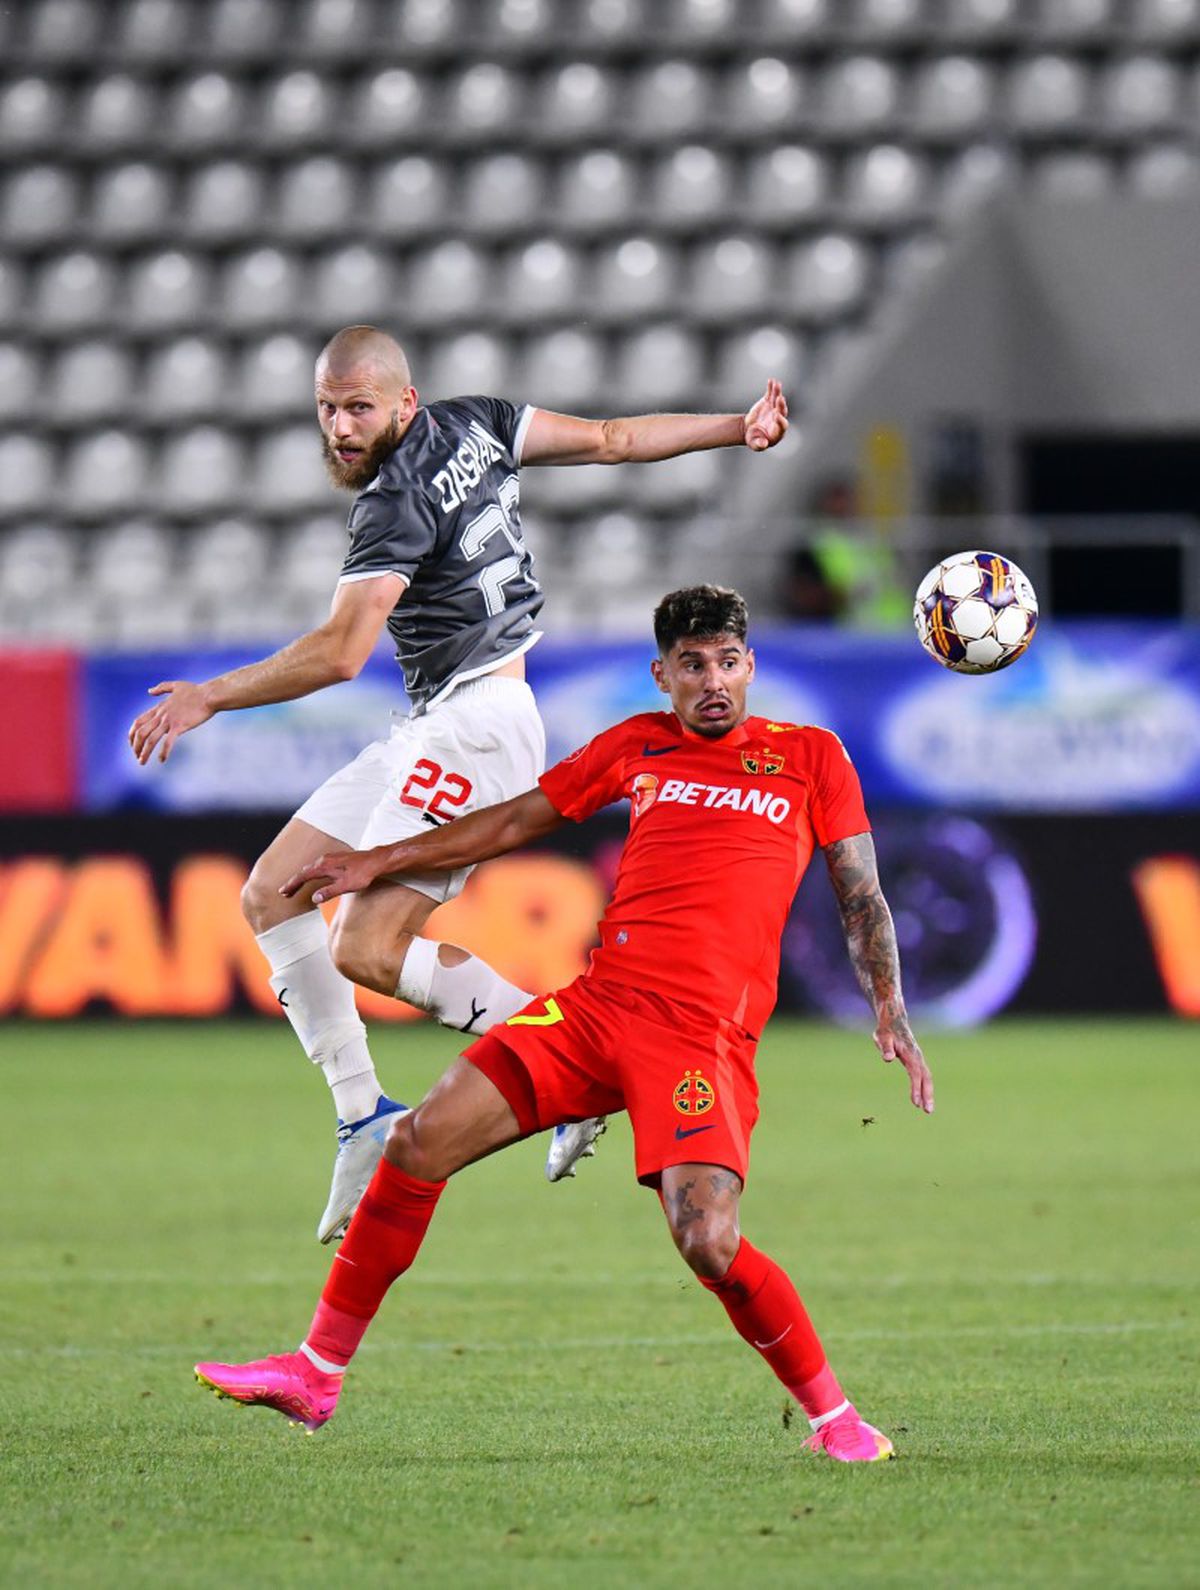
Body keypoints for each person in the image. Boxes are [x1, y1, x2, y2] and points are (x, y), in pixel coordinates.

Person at [195, 585, 934, 1464]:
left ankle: (836, 1420)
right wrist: (377, 859)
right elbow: (511, 820)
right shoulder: (636, 746)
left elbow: (862, 894)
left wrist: (888, 1005)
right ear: (662, 675)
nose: (712, 682)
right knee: (417, 1143)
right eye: (692, 665)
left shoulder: (811, 757)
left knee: (707, 1240)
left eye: (728, 663)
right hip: (595, 1010)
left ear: (750, 668)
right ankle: (316, 1374)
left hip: (699, 1038)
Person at [128, 327, 790, 1242]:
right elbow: (609, 441)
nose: (340, 427)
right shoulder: (478, 424)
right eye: (326, 408)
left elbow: (341, 651)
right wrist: (735, 427)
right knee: (271, 894)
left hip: (474, 724)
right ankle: (362, 1112)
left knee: (364, 946)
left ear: (404, 402)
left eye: (358, 407)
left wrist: (212, 696)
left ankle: (570, 1078)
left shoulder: (392, 501)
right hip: (453, 716)